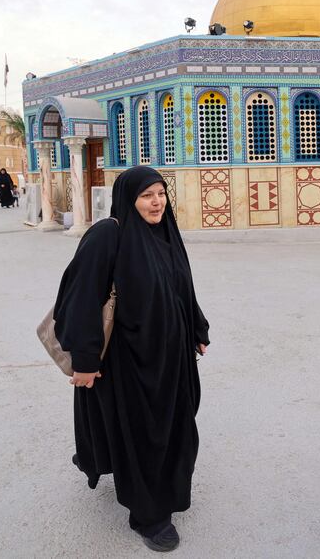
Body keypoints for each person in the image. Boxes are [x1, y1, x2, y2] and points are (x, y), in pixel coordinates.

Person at [53, 166, 210, 553]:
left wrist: (197, 328)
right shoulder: (110, 234)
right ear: (129, 198)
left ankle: (155, 487)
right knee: (143, 436)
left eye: (161, 193)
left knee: (177, 428)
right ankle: (149, 516)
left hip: (171, 359)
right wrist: (85, 360)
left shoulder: (165, 232)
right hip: (129, 364)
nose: (156, 202)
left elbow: (181, 286)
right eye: (146, 196)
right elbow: (81, 298)